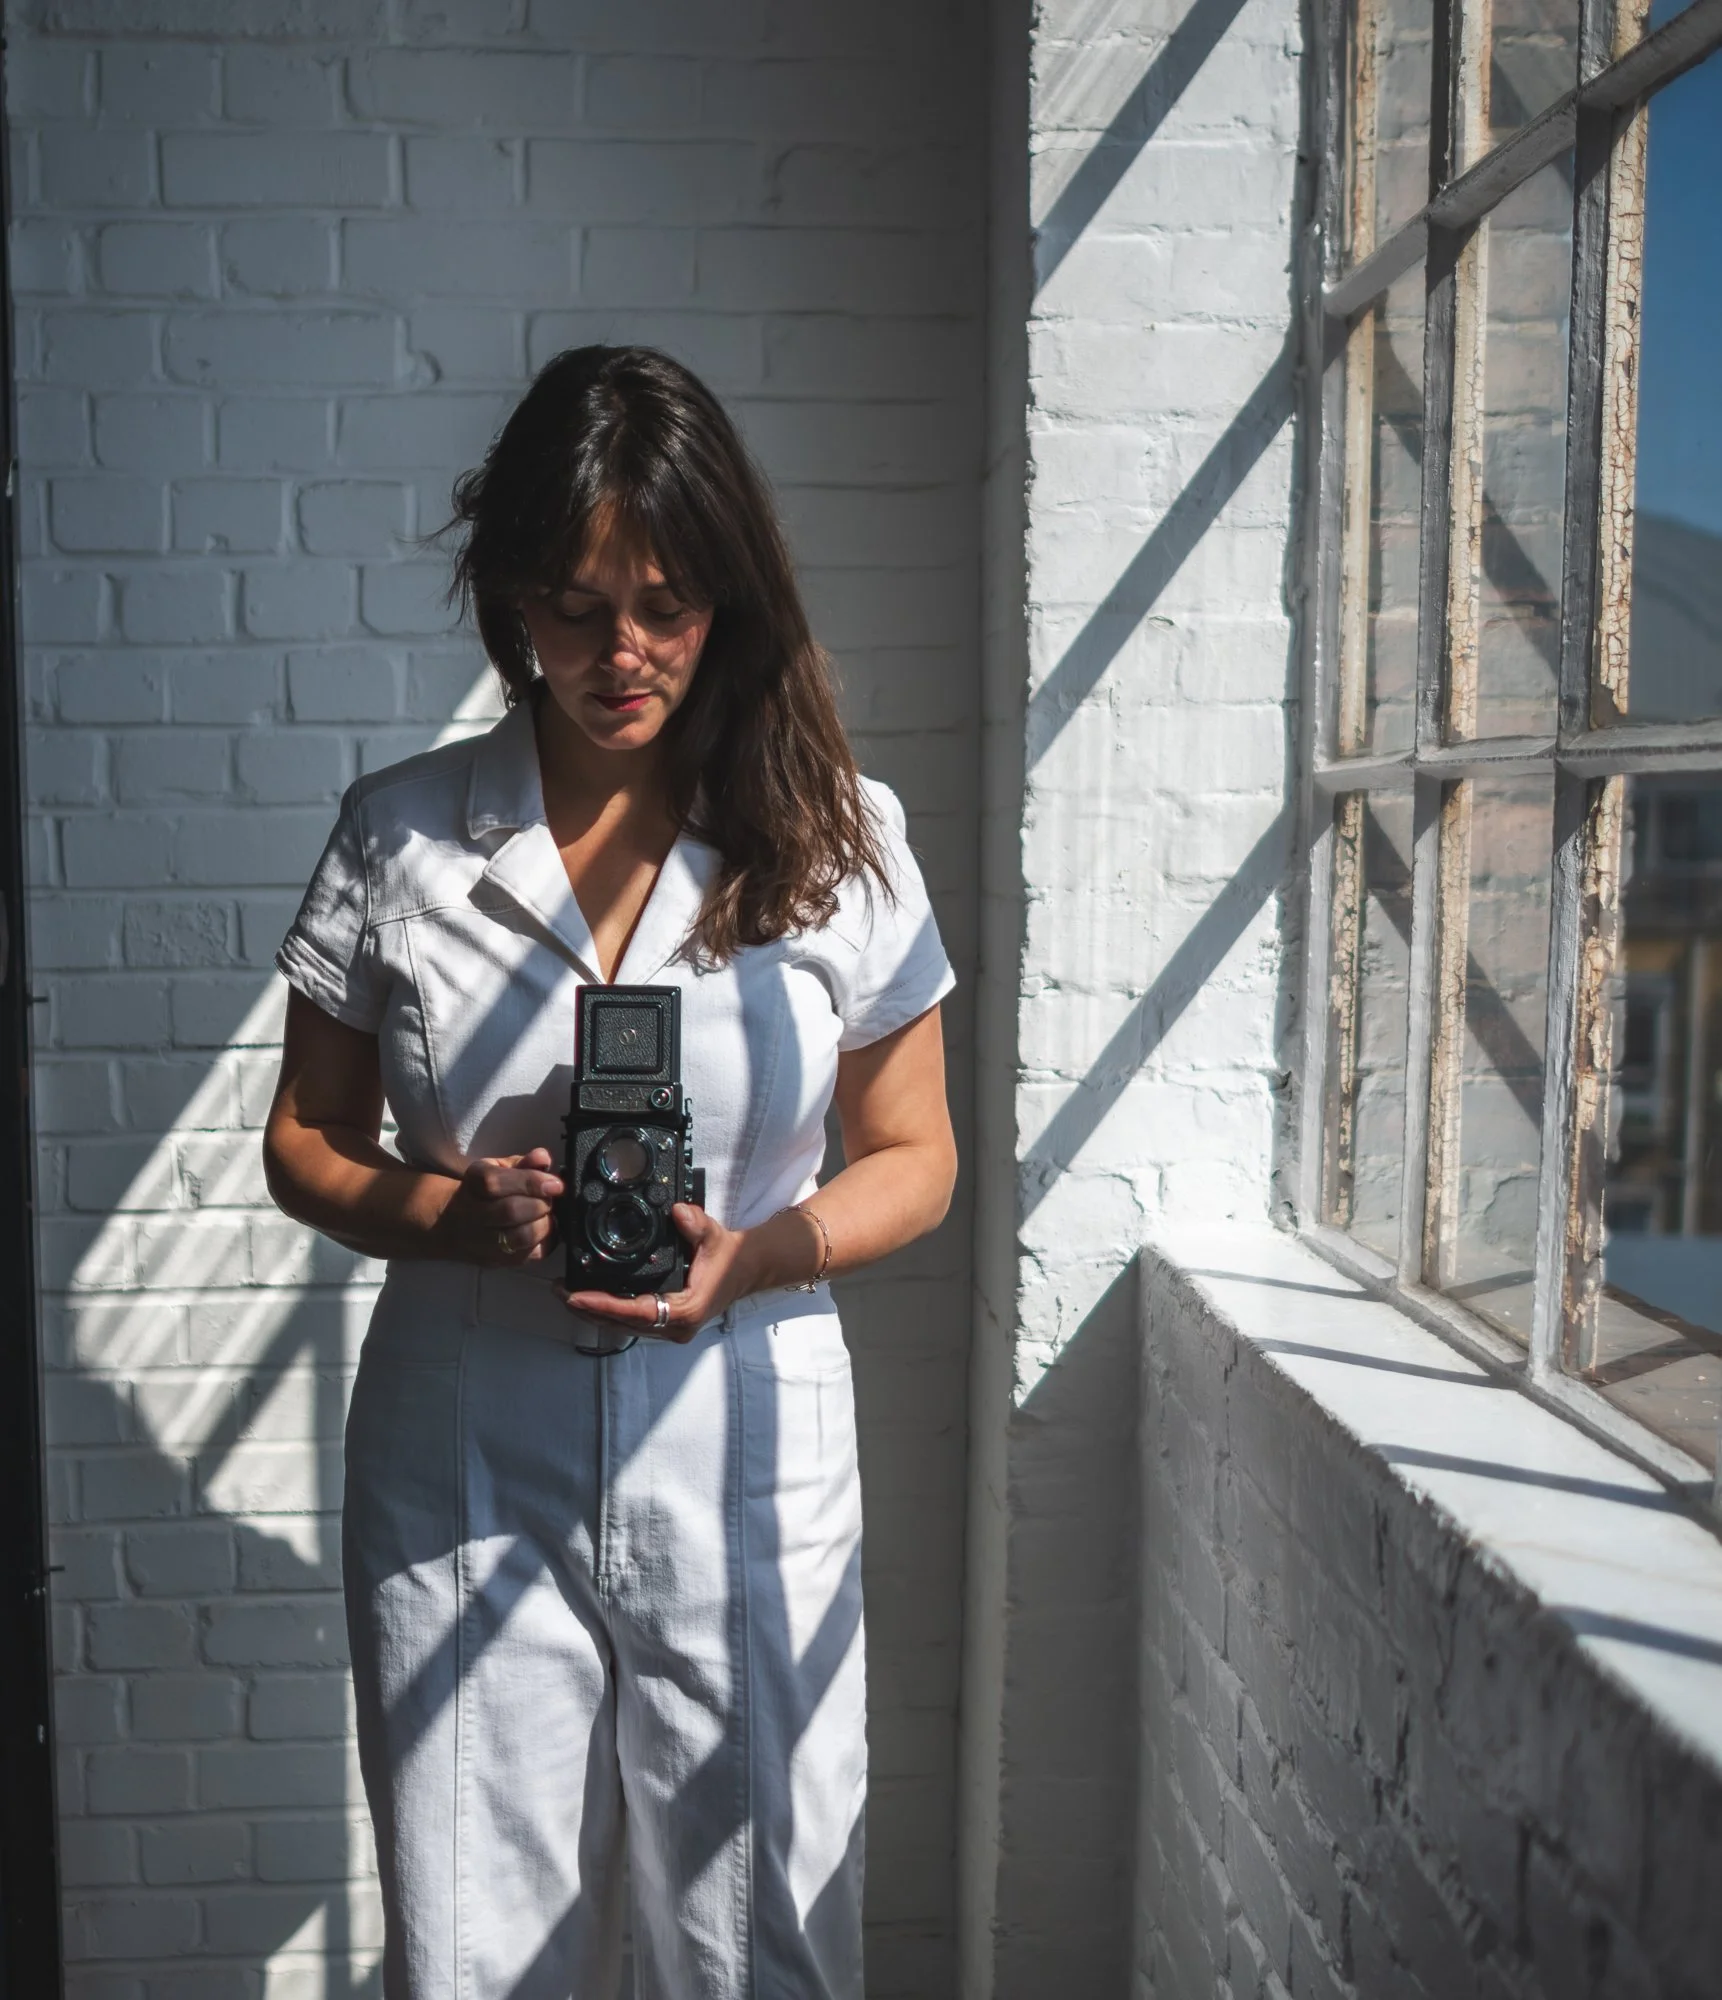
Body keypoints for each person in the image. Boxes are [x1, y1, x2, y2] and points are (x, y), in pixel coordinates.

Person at [262, 345, 957, 1999]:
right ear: (511, 604)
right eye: (574, 608)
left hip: (746, 1430)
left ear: (725, 590)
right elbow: (302, 1140)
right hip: (461, 1446)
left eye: (664, 601)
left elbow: (916, 1155)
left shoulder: (837, 832)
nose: (622, 653)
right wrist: (451, 1213)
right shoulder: (399, 834)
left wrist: (761, 1252)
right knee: (474, 1942)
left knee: (762, 1939)